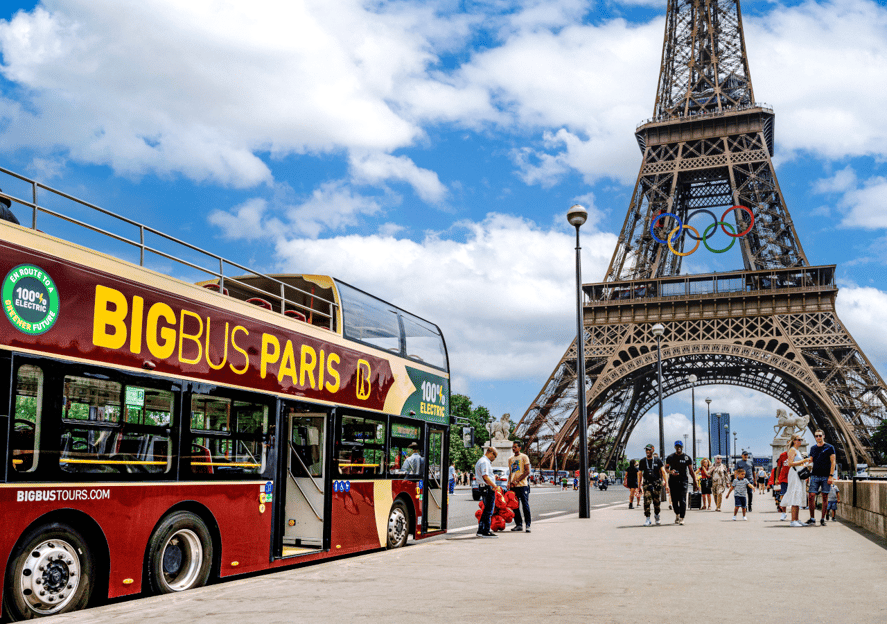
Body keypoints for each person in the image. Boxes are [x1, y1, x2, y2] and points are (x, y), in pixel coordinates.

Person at [806, 429, 836, 526]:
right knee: (811, 496)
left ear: (823, 436)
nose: (818, 437)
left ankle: (822, 518)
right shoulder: (812, 448)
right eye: (816, 436)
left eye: (819, 435)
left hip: (826, 476)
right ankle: (812, 518)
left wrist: (831, 476)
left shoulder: (830, 447)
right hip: (815, 475)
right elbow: (810, 460)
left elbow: (833, 462)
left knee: (825, 497)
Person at [665, 440, 697, 525]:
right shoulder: (670, 457)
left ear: (682, 447)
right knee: (674, 500)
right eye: (677, 446)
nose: (678, 448)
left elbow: (691, 471)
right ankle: (677, 514)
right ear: (675, 447)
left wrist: (695, 482)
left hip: (683, 481)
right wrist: (671, 472)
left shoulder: (687, 458)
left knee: (682, 499)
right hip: (673, 481)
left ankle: (682, 517)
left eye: (680, 446)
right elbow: (666, 469)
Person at [784, 434, 813, 527]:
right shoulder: (792, 450)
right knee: (795, 495)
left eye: (801, 439)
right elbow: (790, 463)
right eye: (798, 439)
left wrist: (805, 464)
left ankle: (797, 519)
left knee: (798, 495)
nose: (800, 441)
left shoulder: (797, 450)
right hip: (794, 475)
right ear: (794, 440)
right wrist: (804, 461)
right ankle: (793, 520)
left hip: (798, 474)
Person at [637, 444, 668, 526]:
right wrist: (639, 486)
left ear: (653, 450)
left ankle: (657, 515)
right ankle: (647, 518)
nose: (647, 451)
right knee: (646, 501)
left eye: (649, 450)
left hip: (656, 484)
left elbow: (663, 472)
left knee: (656, 501)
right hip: (647, 484)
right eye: (646, 450)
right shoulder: (643, 461)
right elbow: (639, 474)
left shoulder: (658, 461)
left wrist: (666, 483)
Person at [508, 441, 532, 533]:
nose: (513, 448)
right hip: (514, 486)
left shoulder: (524, 457)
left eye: (515, 447)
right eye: (512, 447)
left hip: (522, 485)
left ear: (519, 448)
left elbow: (527, 471)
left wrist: (518, 480)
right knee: (515, 506)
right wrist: (509, 482)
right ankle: (518, 524)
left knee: (525, 505)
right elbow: (511, 472)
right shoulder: (510, 459)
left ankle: (528, 525)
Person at [474, 446, 499, 538]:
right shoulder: (485, 462)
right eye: (495, 456)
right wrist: (494, 485)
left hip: (483, 487)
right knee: (489, 511)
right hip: (488, 488)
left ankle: (481, 530)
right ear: (491, 453)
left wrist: (493, 477)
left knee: (486, 510)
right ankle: (486, 531)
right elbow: (485, 477)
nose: (494, 459)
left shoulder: (481, 460)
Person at [776, 449, 790, 520]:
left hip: (793, 478)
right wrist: (776, 478)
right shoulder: (782, 455)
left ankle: (795, 515)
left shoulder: (796, 454)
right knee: (783, 496)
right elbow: (778, 467)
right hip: (784, 478)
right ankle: (783, 513)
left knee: (793, 496)